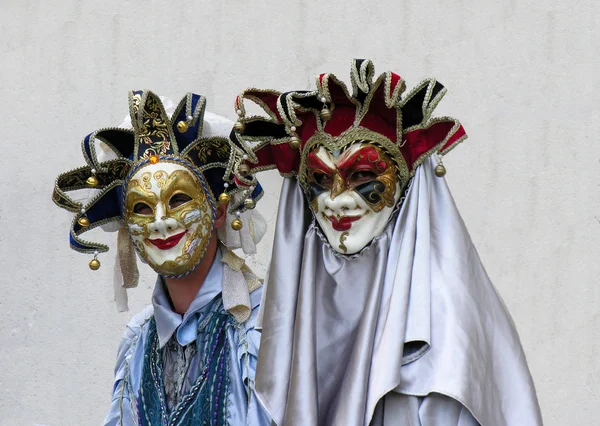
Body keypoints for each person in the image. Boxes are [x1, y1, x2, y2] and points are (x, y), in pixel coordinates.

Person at [229, 59, 543, 425]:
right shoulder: (302, 300)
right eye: (319, 178)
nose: (337, 199)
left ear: (406, 185)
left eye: (361, 175)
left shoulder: (445, 321)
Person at [52, 90, 270, 425]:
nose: (159, 222)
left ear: (220, 209)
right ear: (127, 226)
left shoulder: (262, 327)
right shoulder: (138, 341)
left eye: (179, 200)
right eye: (141, 208)